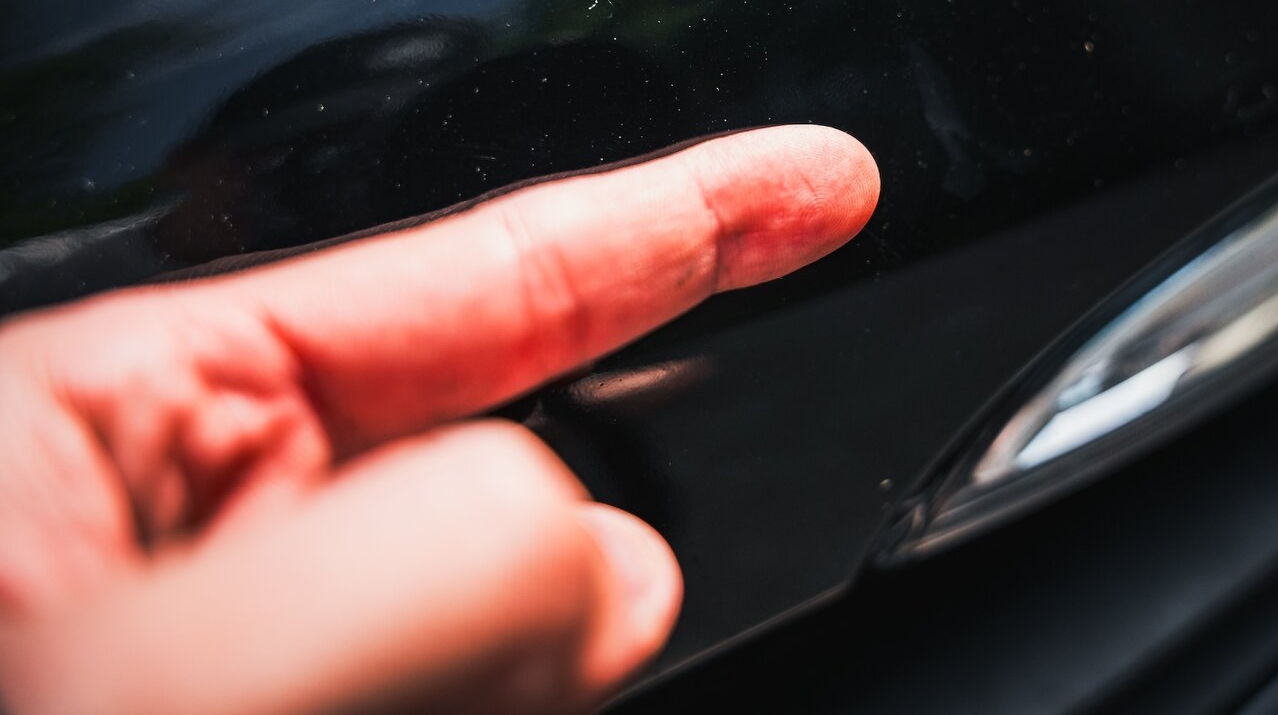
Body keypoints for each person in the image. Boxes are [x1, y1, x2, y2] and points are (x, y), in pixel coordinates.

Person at [0, 126, 880, 715]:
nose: (284, 180)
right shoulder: (60, 283)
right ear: (185, 161)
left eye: (314, 154)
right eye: (255, 159)